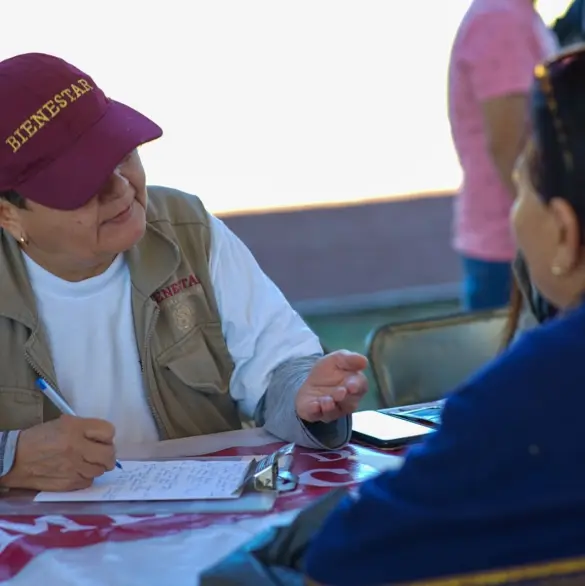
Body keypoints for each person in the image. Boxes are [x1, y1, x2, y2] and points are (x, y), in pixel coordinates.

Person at [0, 53, 368, 493]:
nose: (120, 187)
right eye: (82, 182)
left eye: (122, 153)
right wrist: (10, 457)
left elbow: (279, 368)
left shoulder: (186, 228)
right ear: (9, 215)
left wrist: (305, 396)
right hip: (40, 551)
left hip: (200, 528)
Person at [304, 46, 585, 586]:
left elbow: (342, 559)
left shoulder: (540, 384)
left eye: (523, 184)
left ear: (566, 233)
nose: (514, 208)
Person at [448, 0, 556, 311]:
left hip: (521, 245)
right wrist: (553, 235)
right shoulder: (500, 20)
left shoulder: (516, 16)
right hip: (515, 251)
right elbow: (508, 148)